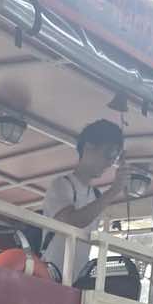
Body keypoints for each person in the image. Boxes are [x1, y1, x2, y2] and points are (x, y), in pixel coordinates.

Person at [39, 119, 128, 283]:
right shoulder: (61, 185)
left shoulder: (95, 196)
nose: (110, 163)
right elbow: (72, 221)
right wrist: (114, 191)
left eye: (114, 157)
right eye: (108, 153)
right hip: (49, 276)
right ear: (88, 147)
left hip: (75, 281)